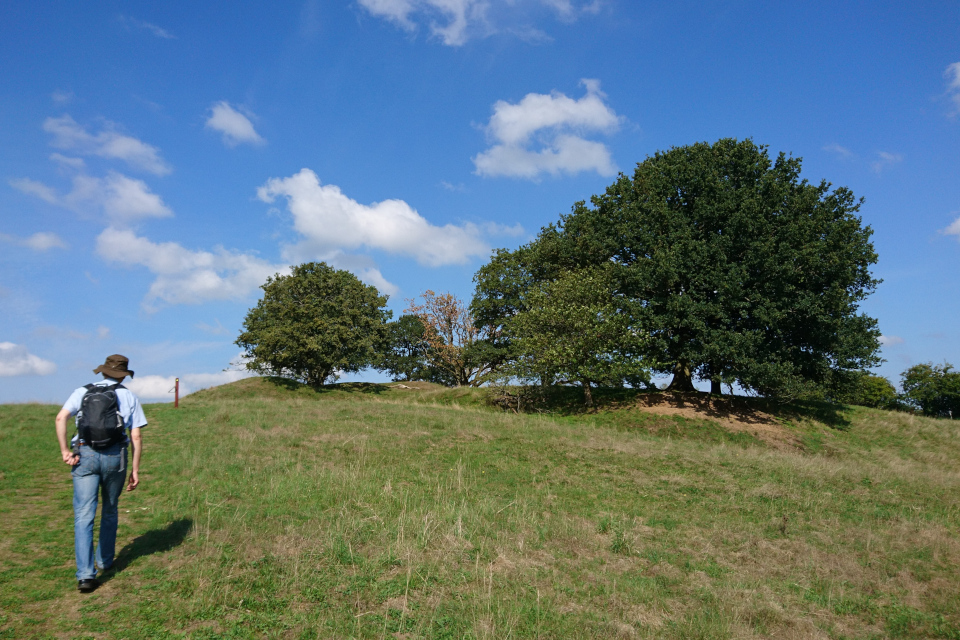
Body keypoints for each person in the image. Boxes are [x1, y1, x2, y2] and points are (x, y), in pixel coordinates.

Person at [55, 354, 147, 593]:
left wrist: (66, 450)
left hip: (84, 454)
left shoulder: (82, 391)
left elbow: (60, 417)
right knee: (110, 509)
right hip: (115, 457)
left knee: (83, 516)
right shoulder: (128, 396)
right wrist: (135, 469)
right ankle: (105, 561)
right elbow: (136, 436)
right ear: (123, 374)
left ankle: (86, 576)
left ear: (104, 371)